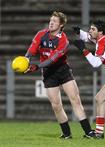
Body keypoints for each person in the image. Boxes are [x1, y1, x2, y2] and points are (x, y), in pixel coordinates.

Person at [24, 11, 95, 139]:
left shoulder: (64, 40)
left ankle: (88, 132)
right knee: (56, 105)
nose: (51, 22)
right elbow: (30, 51)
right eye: (51, 20)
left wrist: (36, 67)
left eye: (55, 21)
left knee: (75, 100)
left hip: (62, 70)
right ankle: (67, 133)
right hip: (48, 73)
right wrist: (25, 61)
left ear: (61, 25)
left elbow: (52, 60)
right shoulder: (41, 34)